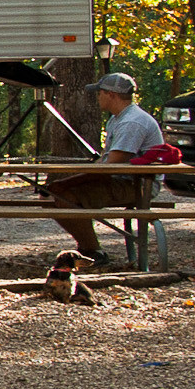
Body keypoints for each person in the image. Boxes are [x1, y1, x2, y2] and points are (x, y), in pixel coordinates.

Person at [47, 72, 166, 261]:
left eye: (100, 93)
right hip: (122, 181)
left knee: (64, 196)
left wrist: (68, 182)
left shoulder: (132, 122)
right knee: (53, 196)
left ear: (111, 95)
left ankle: (93, 252)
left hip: (138, 185)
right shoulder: (117, 119)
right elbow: (105, 162)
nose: (97, 97)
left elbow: (110, 167)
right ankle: (89, 248)